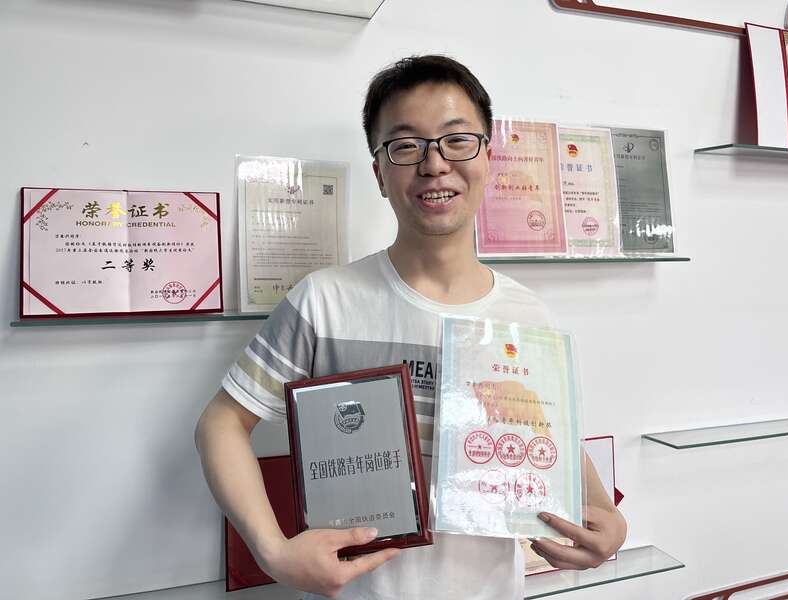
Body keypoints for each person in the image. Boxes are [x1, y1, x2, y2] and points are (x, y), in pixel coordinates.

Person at [195, 54, 627, 600]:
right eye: (405, 146)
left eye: (457, 140)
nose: (434, 164)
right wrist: (273, 550)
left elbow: (548, 437)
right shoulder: (324, 302)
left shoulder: (527, 316)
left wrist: (607, 516)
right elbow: (221, 423)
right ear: (380, 173)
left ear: (488, 158)